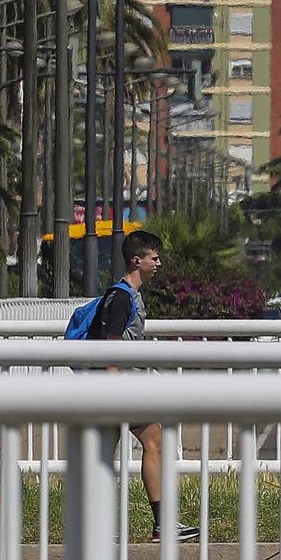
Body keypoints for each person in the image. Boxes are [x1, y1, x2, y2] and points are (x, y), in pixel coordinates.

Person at [84, 229, 195, 542]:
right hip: (116, 386)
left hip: (112, 384)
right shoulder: (120, 298)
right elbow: (111, 346)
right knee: (153, 442)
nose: (158, 263)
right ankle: (161, 524)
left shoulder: (125, 295)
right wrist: (116, 387)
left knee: (105, 453)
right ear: (137, 260)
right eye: (153, 258)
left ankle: (98, 526)